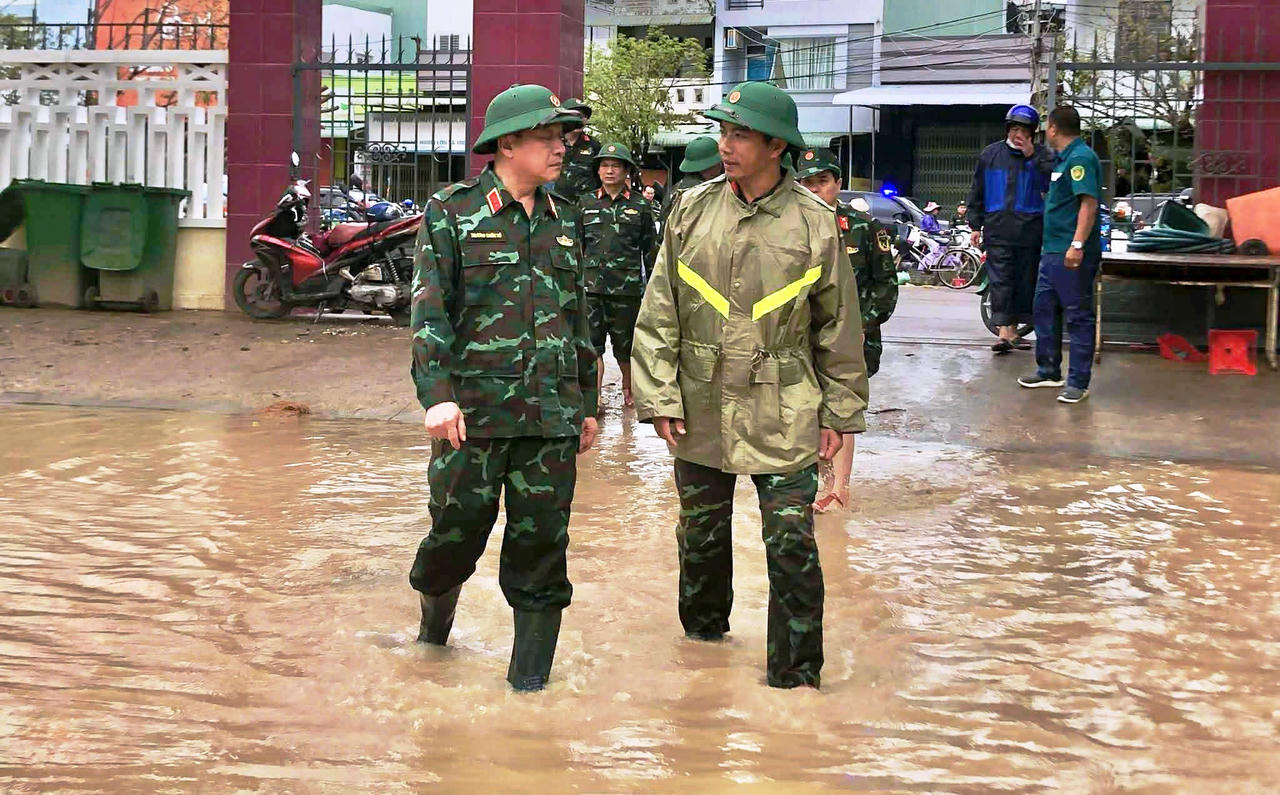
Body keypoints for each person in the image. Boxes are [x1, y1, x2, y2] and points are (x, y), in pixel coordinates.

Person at [632, 82, 868, 690]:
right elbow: (660, 309)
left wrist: (837, 415)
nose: (724, 144)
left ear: (774, 146)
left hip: (784, 401)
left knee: (792, 543)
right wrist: (658, 396)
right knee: (701, 536)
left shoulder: (815, 224)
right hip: (700, 401)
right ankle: (703, 658)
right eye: (723, 132)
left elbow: (839, 326)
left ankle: (794, 682)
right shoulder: (691, 209)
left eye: (738, 134)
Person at [407, 84, 600, 692]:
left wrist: (588, 404)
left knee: (542, 551)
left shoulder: (566, 216)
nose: (560, 147)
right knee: (452, 539)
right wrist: (436, 395)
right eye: (548, 137)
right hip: (473, 417)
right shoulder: (452, 213)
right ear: (507, 143)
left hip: (550, 419)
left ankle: (528, 692)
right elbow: (429, 311)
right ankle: (432, 642)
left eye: (562, 137)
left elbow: (579, 319)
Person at [795, 148, 898, 514]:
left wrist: (859, 326)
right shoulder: (791, 228)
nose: (814, 190)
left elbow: (886, 286)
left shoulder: (864, 228)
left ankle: (841, 488)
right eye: (807, 183)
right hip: (802, 337)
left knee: (841, 408)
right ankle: (821, 483)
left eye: (822, 182)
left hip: (853, 340)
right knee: (806, 408)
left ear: (838, 184)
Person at [1017, 104, 1103, 405]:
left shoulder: (1080, 159)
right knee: (1044, 311)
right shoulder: (1062, 160)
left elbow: (1088, 203)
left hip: (1071, 253)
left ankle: (1078, 382)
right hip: (1052, 251)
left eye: (1046, 128)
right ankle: (1049, 370)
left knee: (1078, 317)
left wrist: (1077, 244)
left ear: (1053, 128)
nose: (1044, 133)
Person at [967, 104, 1057, 354]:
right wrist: (975, 225)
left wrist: (1031, 156)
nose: (1019, 135)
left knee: (1024, 281)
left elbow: (1053, 180)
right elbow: (977, 190)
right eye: (1015, 129)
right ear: (1008, 129)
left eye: (1024, 130)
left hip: (1030, 232)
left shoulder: (1041, 156)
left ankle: (1014, 332)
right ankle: (1004, 333)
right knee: (1001, 281)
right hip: (997, 230)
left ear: (1032, 133)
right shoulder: (990, 155)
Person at [580, 142, 657, 408]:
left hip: (627, 290)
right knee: (592, 346)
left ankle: (629, 389)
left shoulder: (641, 206)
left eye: (615, 166)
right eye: (604, 165)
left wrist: (654, 292)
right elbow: (576, 248)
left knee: (627, 348)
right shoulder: (585, 204)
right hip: (591, 290)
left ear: (626, 171)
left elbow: (651, 250)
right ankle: (595, 395)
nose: (609, 171)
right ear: (598, 170)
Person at [551, 98, 602, 202]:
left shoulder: (594, 145)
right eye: (574, 116)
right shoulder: (552, 143)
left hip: (586, 204)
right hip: (557, 202)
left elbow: (601, 175)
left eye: (582, 116)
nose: (579, 120)